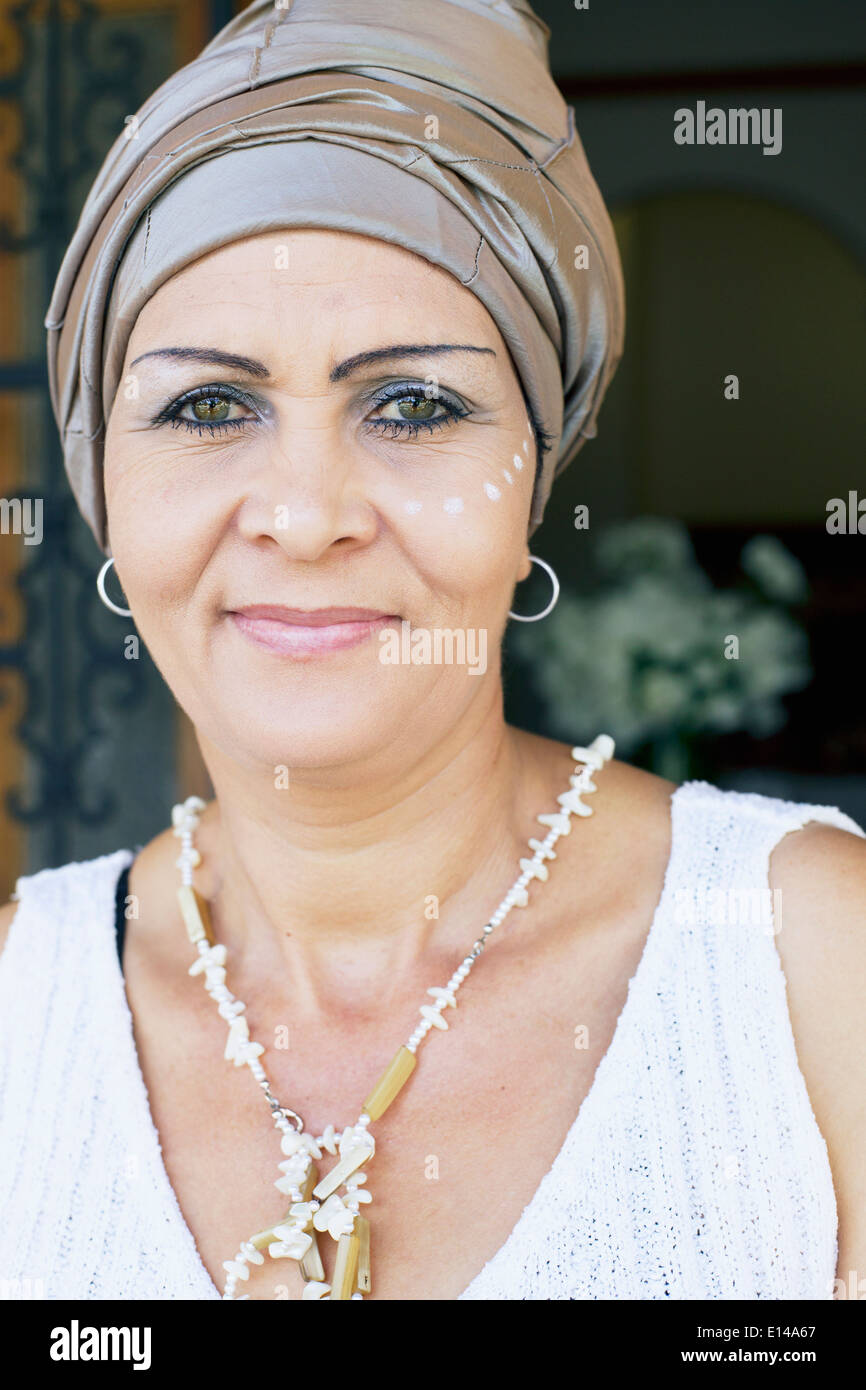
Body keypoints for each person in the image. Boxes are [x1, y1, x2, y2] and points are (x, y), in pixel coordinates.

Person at [0, 0, 864, 1302]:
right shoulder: (21, 1004)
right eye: (206, 403)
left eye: (413, 405)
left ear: (533, 480)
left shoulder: (806, 955)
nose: (304, 513)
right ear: (102, 483)